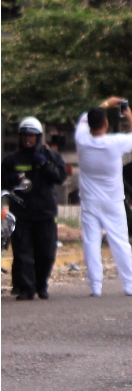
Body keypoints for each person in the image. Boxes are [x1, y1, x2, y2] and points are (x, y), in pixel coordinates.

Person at [74, 98, 132, 297]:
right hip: (113, 200)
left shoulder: (81, 140)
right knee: (120, 241)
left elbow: (82, 119)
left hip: (89, 200)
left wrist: (104, 104)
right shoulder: (115, 142)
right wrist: (128, 114)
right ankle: (129, 284)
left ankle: (95, 286)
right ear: (106, 124)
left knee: (91, 242)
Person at [1, 117, 67, 300]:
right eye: (25, 136)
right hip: (21, 213)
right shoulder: (11, 160)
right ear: (20, 137)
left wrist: (44, 164)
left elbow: (60, 177)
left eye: (32, 136)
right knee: (23, 253)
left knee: (45, 253)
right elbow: (3, 182)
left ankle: (41, 285)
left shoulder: (50, 156)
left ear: (38, 137)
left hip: (45, 212)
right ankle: (26, 289)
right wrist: (13, 179)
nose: (28, 139)